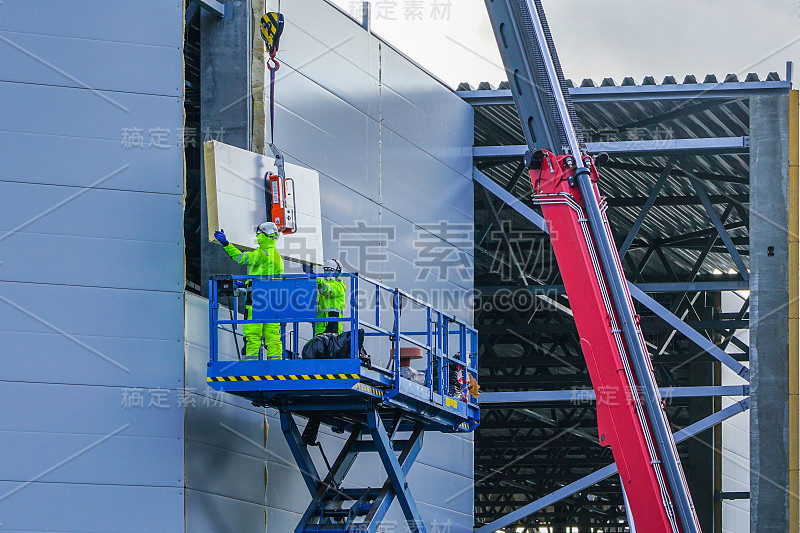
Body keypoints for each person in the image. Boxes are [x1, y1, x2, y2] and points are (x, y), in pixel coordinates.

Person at [214, 222, 284, 360]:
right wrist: (246, 284)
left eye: (258, 234)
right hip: (273, 302)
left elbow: (241, 258)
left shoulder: (261, 253)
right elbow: (265, 279)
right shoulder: (277, 257)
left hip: (256, 301)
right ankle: (275, 366)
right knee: (273, 336)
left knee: (252, 334)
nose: (257, 237)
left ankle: (249, 367)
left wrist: (226, 244)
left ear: (264, 235)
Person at [316, 259, 346, 336]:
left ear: (337, 272)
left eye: (330, 270)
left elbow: (328, 290)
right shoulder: (321, 287)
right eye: (325, 270)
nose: (327, 272)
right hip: (320, 329)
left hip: (332, 327)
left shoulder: (339, 286)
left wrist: (316, 279)